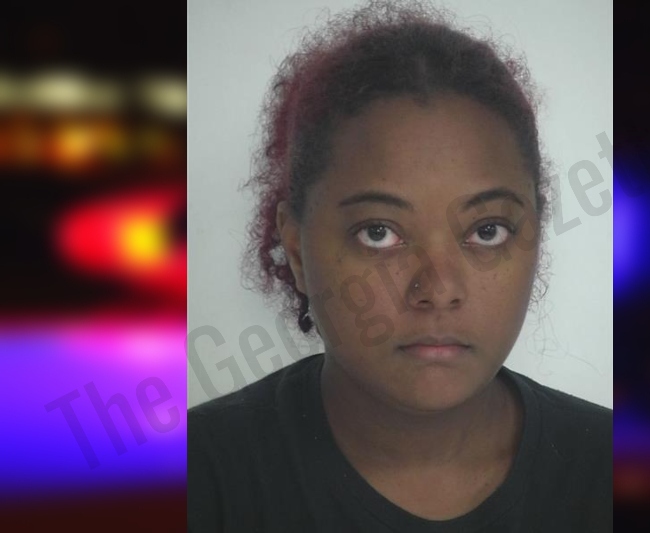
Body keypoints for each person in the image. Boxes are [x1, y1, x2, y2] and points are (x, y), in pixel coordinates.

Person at [188, 1, 611, 531]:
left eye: (487, 231)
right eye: (378, 233)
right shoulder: (195, 479)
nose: (437, 289)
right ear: (296, 249)